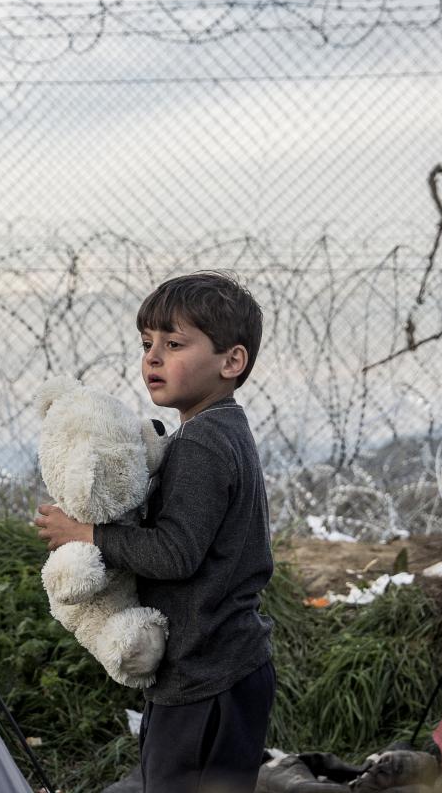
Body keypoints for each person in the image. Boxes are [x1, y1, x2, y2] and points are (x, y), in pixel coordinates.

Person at [35, 271, 275, 793]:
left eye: (174, 343)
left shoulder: (201, 446)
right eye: (147, 344)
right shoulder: (221, 431)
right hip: (225, 668)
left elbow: (175, 553)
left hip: (206, 676)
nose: (153, 358)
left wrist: (89, 534)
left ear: (232, 361)